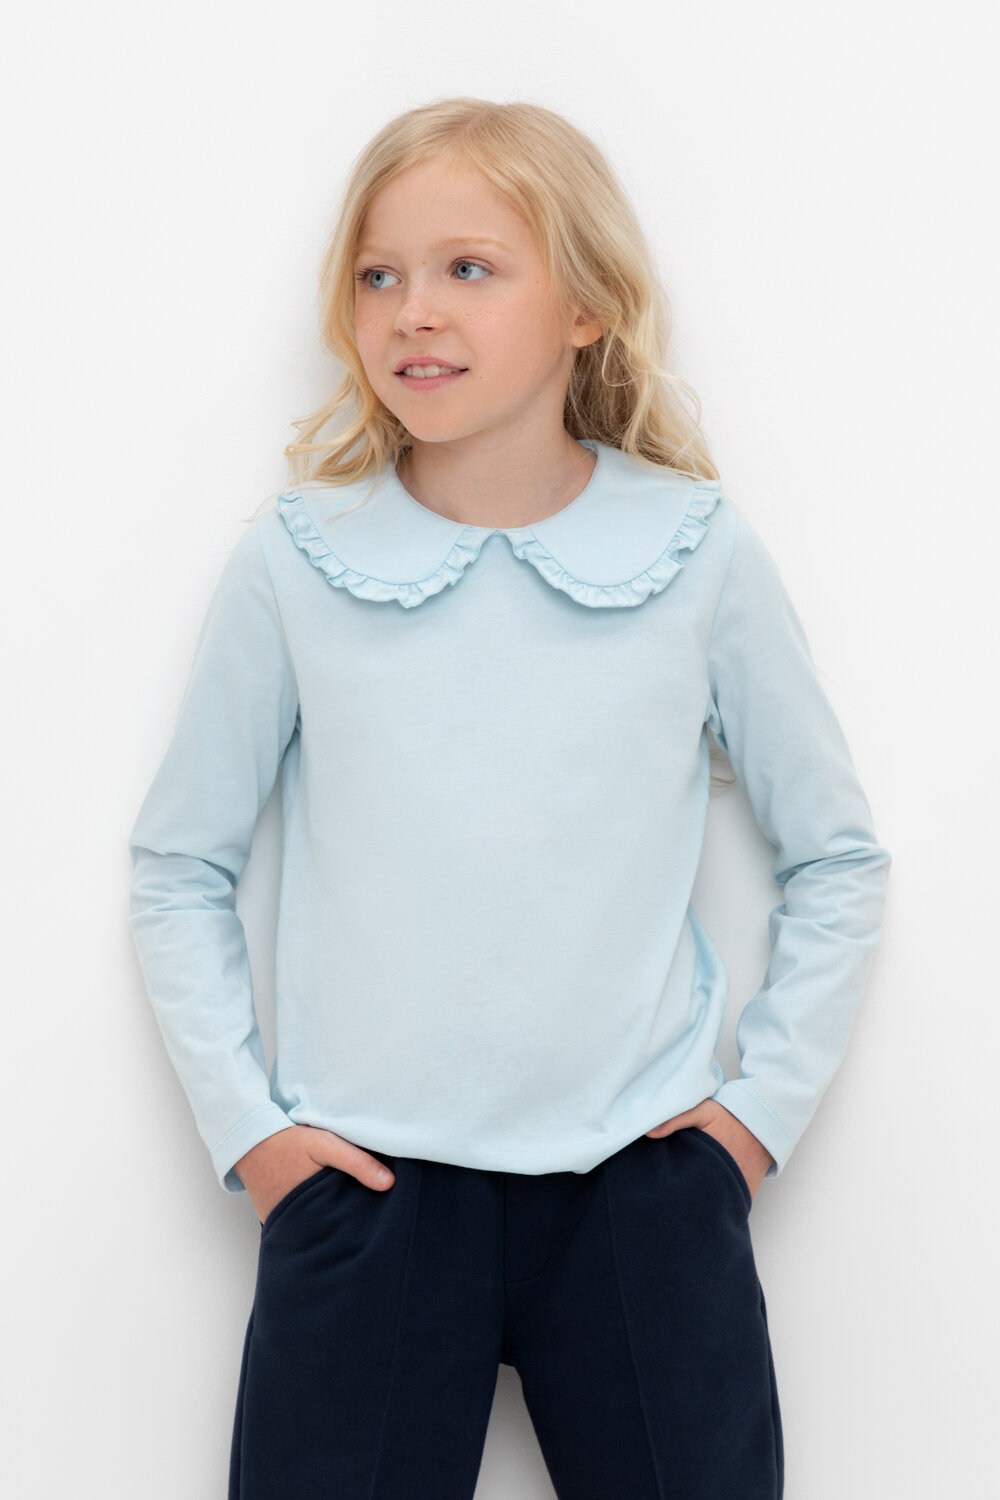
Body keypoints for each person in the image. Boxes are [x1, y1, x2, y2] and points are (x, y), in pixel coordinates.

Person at [127, 97, 891, 1500]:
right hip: (365, 1192)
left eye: (468, 269)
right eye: (380, 275)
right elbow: (181, 865)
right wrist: (251, 1131)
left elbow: (837, 857)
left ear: (587, 306)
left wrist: (751, 1124)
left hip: (641, 1191)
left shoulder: (696, 551)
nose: (413, 310)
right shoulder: (299, 559)